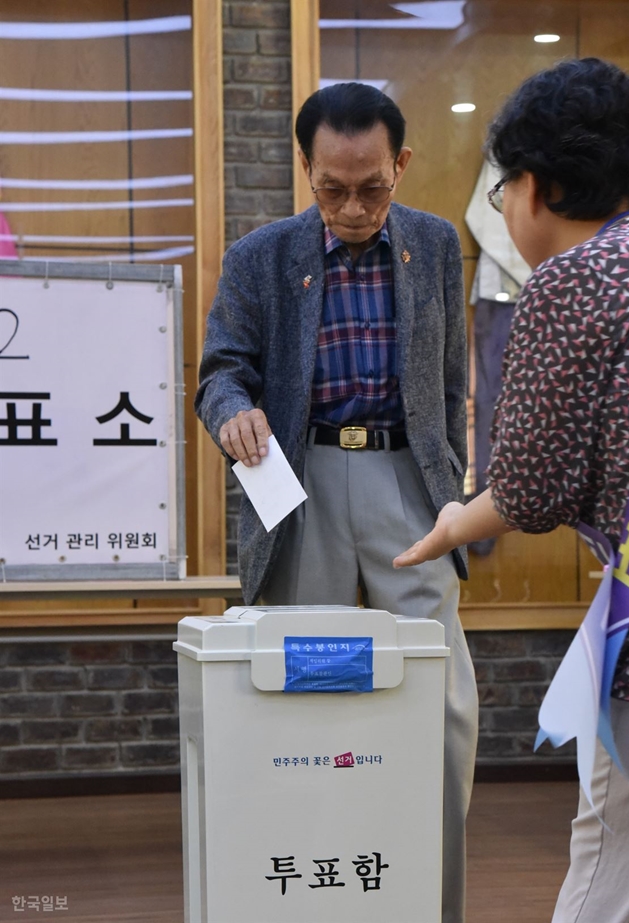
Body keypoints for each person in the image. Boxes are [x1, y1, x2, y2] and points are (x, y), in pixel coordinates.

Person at [394, 57, 629, 923]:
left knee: (616, 883)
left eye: (502, 188)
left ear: (537, 187)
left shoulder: (570, 280)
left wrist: (450, 524)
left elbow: (530, 489)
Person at [195, 82, 478, 923]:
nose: (353, 206)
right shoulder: (262, 255)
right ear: (306, 168)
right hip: (302, 479)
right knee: (297, 690)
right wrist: (231, 413)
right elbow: (220, 371)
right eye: (332, 188)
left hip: (407, 483)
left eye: (372, 186)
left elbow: (451, 378)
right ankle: (306, 892)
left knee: (442, 701)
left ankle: (434, 900)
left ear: (401, 163)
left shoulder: (431, 245)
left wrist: (453, 491)